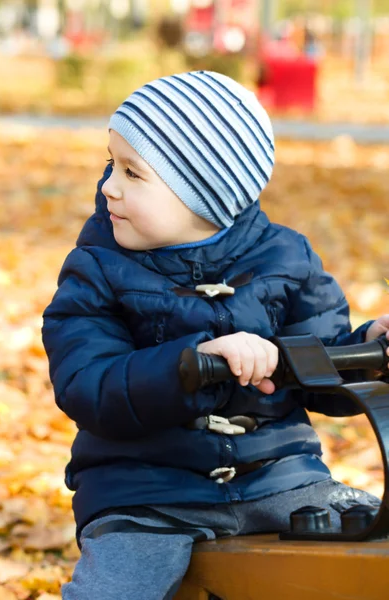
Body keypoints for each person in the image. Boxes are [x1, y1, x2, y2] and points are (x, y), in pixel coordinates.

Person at [41, 71, 389, 600]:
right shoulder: (97, 270)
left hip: (281, 479)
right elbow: (88, 384)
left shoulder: (286, 259)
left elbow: (322, 370)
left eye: (134, 173)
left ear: (206, 195)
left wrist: (371, 350)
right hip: (147, 494)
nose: (109, 185)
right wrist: (190, 362)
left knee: (371, 551)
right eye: (111, 164)